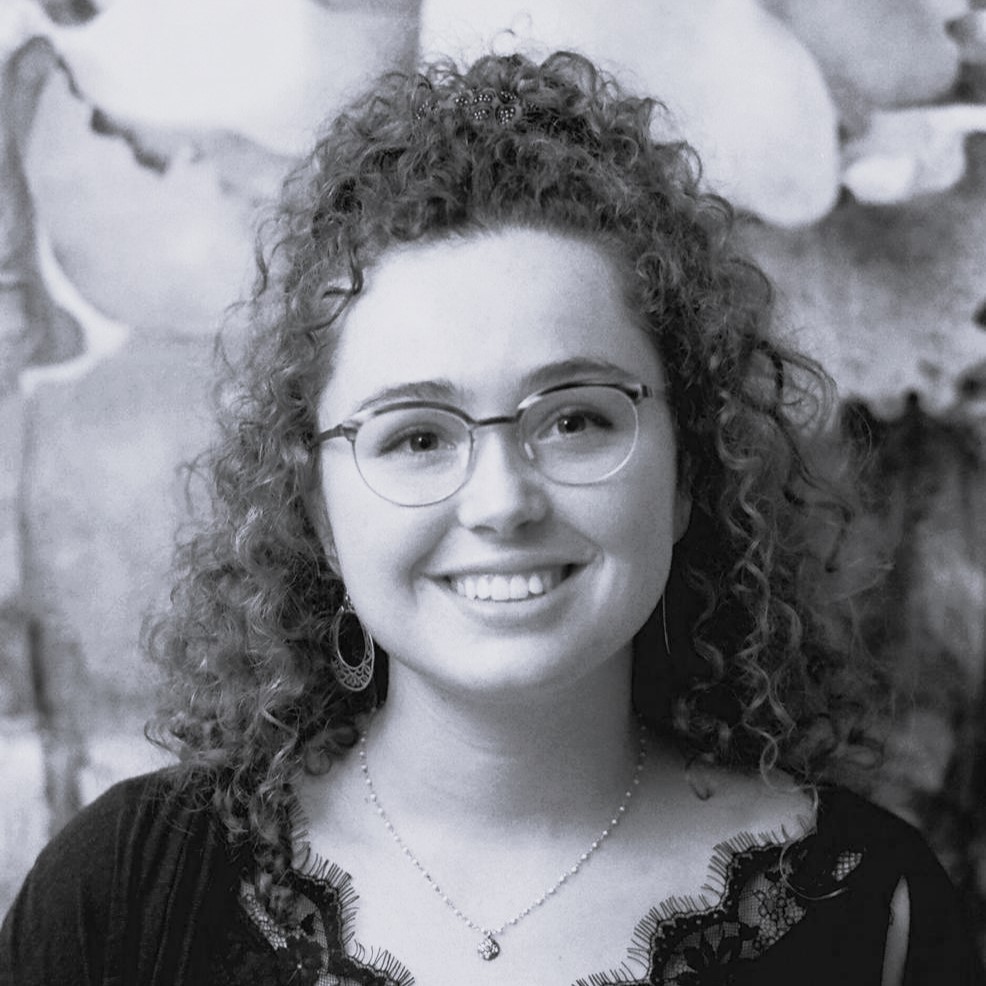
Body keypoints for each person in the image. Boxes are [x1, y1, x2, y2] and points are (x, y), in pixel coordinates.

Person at [1, 50, 982, 986]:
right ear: (318, 510)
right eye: (416, 436)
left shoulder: (875, 915)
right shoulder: (123, 891)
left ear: (687, 469)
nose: (503, 500)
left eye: (575, 420)